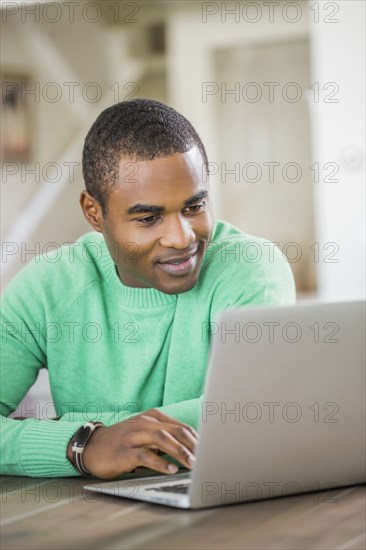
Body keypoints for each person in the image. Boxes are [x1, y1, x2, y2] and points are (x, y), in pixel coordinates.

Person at [0, 99, 295, 480]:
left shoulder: (250, 269)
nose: (181, 237)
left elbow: (255, 414)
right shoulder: (47, 288)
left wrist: (93, 433)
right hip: (90, 518)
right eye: (149, 217)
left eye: (194, 207)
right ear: (93, 212)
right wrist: (85, 447)